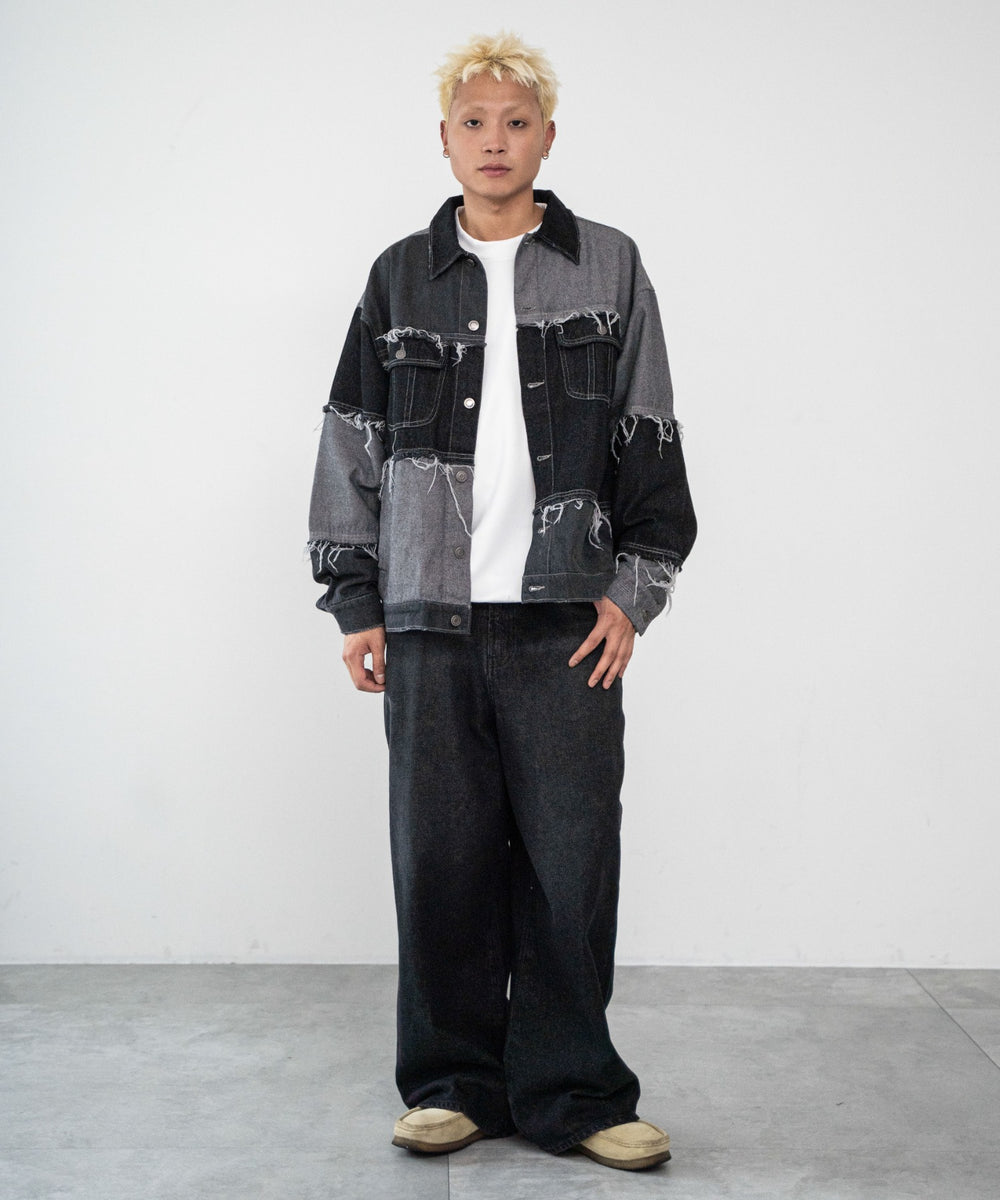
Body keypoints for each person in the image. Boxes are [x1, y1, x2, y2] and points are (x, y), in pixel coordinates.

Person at [307, 31, 696, 1172]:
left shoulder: (609, 265)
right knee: (441, 863)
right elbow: (350, 439)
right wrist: (355, 599)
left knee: (572, 865)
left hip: (565, 622)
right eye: (473, 122)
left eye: (515, 122)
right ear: (445, 140)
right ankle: (452, 1084)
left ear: (547, 138)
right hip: (428, 620)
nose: (494, 140)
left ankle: (576, 1092)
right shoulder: (399, 275)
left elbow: (651, 430)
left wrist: (634, 592)